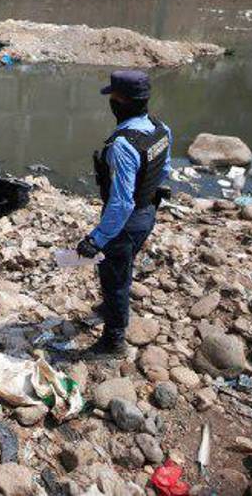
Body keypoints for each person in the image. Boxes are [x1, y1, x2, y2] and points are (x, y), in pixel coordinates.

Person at [75, 70, 172, 357]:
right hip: (148, 212)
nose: (111, 103)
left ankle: (113, 342)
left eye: (113, 98)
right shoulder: (160, 128)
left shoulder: (123, 145)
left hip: (127, 222)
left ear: (122, 102)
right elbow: (164, 170)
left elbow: (121, 202)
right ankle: (109, 307)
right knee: (120, 265)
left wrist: (97, 239)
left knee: (115, 278)